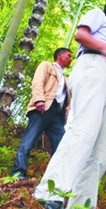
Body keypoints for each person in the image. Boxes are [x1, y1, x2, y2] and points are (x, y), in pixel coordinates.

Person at [34, 0, 106, 209]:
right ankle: (50, 191)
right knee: (82, 130)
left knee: (100, 151)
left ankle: (81, 205)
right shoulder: (99, 15)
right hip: (91, 67)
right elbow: (81, 35)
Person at [11, 48, 72, 180]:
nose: (71, 58)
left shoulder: (66, 79)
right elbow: (37, 81)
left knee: (61, 145)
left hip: (57, 115)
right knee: (29, 140)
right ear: (60, 56)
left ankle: (54, 179)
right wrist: (39, 99)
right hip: (43, 107)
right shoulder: (46, 65)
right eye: (69, 55)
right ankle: (18, 173)